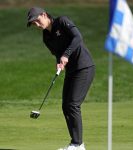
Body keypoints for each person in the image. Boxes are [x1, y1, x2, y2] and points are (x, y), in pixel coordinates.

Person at [27, 7, 95, 150]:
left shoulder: (62, 21)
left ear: (44, 14)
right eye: (34, 24)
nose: (37, 25)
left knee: (73, 104)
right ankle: (76, 143)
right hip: (71, 70)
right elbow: (58, 53)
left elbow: (78, 37)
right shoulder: (46, 37)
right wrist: (59, 62)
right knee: (66, 106)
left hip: (84, 67)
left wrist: (66, 55)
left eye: (38, 21)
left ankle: (77, 145)